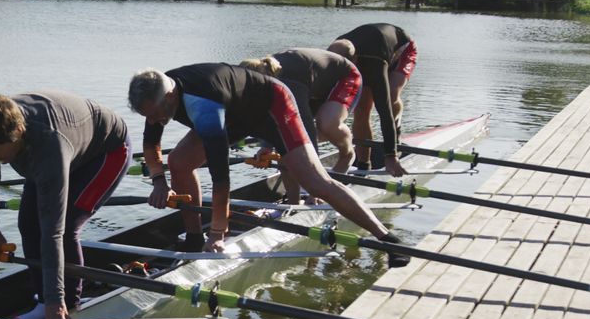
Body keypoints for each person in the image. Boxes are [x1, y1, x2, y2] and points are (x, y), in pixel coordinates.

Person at [127, 63, 409, 267]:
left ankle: (387, 239)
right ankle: (192, 237)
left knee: (316, 182)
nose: (152, 121)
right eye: (146, 116)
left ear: (170, 96)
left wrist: (218, 233)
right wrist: (159, 181)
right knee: (178, 162)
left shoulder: (203, 105)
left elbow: (220, 176)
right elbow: (151, 144)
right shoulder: (156, 97)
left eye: (155, 114)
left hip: (273, 106)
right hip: (235, 112)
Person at [0, 91, 132, 319]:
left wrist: (57, 298)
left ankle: (69, 307)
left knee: (65, 227)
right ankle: (43, 303)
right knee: (28, 225)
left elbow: (53, 231)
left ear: (17, 133)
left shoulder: (49, 143)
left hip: (106, 152)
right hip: (58, 150)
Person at [240, 47, 362, 174]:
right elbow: (272, 121)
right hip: (312, 84)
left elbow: (306, 128)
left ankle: (347, 154)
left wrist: (315, 174)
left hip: (345, 77)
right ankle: (294, 194)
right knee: (285, 144)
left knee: (326, 123)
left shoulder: (289, 85)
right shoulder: (266, 81)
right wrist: (266, 147)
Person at [328, 23, 418, 177]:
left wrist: (391, 156)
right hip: (369, 49)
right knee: (361, 111)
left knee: (390, 95)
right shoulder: (334, 52)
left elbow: (384, 110)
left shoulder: (375, 62)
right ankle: (364, 165)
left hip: (401, 50)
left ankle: (396, 133)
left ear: (354, 61)